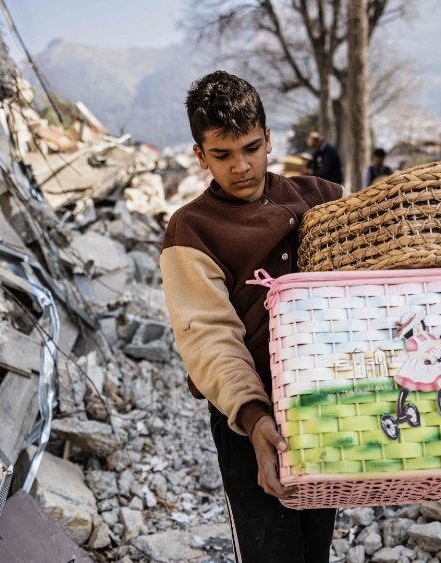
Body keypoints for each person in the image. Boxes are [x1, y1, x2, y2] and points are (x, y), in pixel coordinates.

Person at [160, 70, 342, 562]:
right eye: (222, 155)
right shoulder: (191, 230)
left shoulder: (321, 199)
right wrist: (254, 417)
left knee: (315, 549)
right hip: (246, 418)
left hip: (327, 405)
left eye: (251, 148)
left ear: (268, 138)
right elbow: (209, 336)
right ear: (200, 156)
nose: (241, 166)